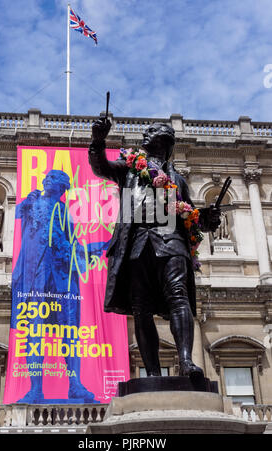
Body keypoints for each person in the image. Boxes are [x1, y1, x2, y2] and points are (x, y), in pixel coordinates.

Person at [88, 118, 221, 379]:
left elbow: (190, 216)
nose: (145, 134)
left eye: (152, 132)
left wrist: (209, 219)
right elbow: (100, 167)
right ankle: (152, 373)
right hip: (136, 242)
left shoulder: (178, 180)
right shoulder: (129, 170)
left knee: (179, 296)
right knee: (141, 307)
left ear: (165, 140)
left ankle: (185, 361)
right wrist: (98, 140)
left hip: (171, 241)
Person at [11, 169, 108, 402]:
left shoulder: (65, 212)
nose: (48, 181)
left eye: (56, 180)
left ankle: (75, 384)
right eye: (50, 178)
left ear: (63, 188)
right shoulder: (32, 202)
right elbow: (17, 214)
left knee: (71, 333)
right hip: (36, 275)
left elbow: (70, 245)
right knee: (34, 331)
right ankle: (35, 389)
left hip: (63, 277)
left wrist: (94, 247)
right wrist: (27, 202)